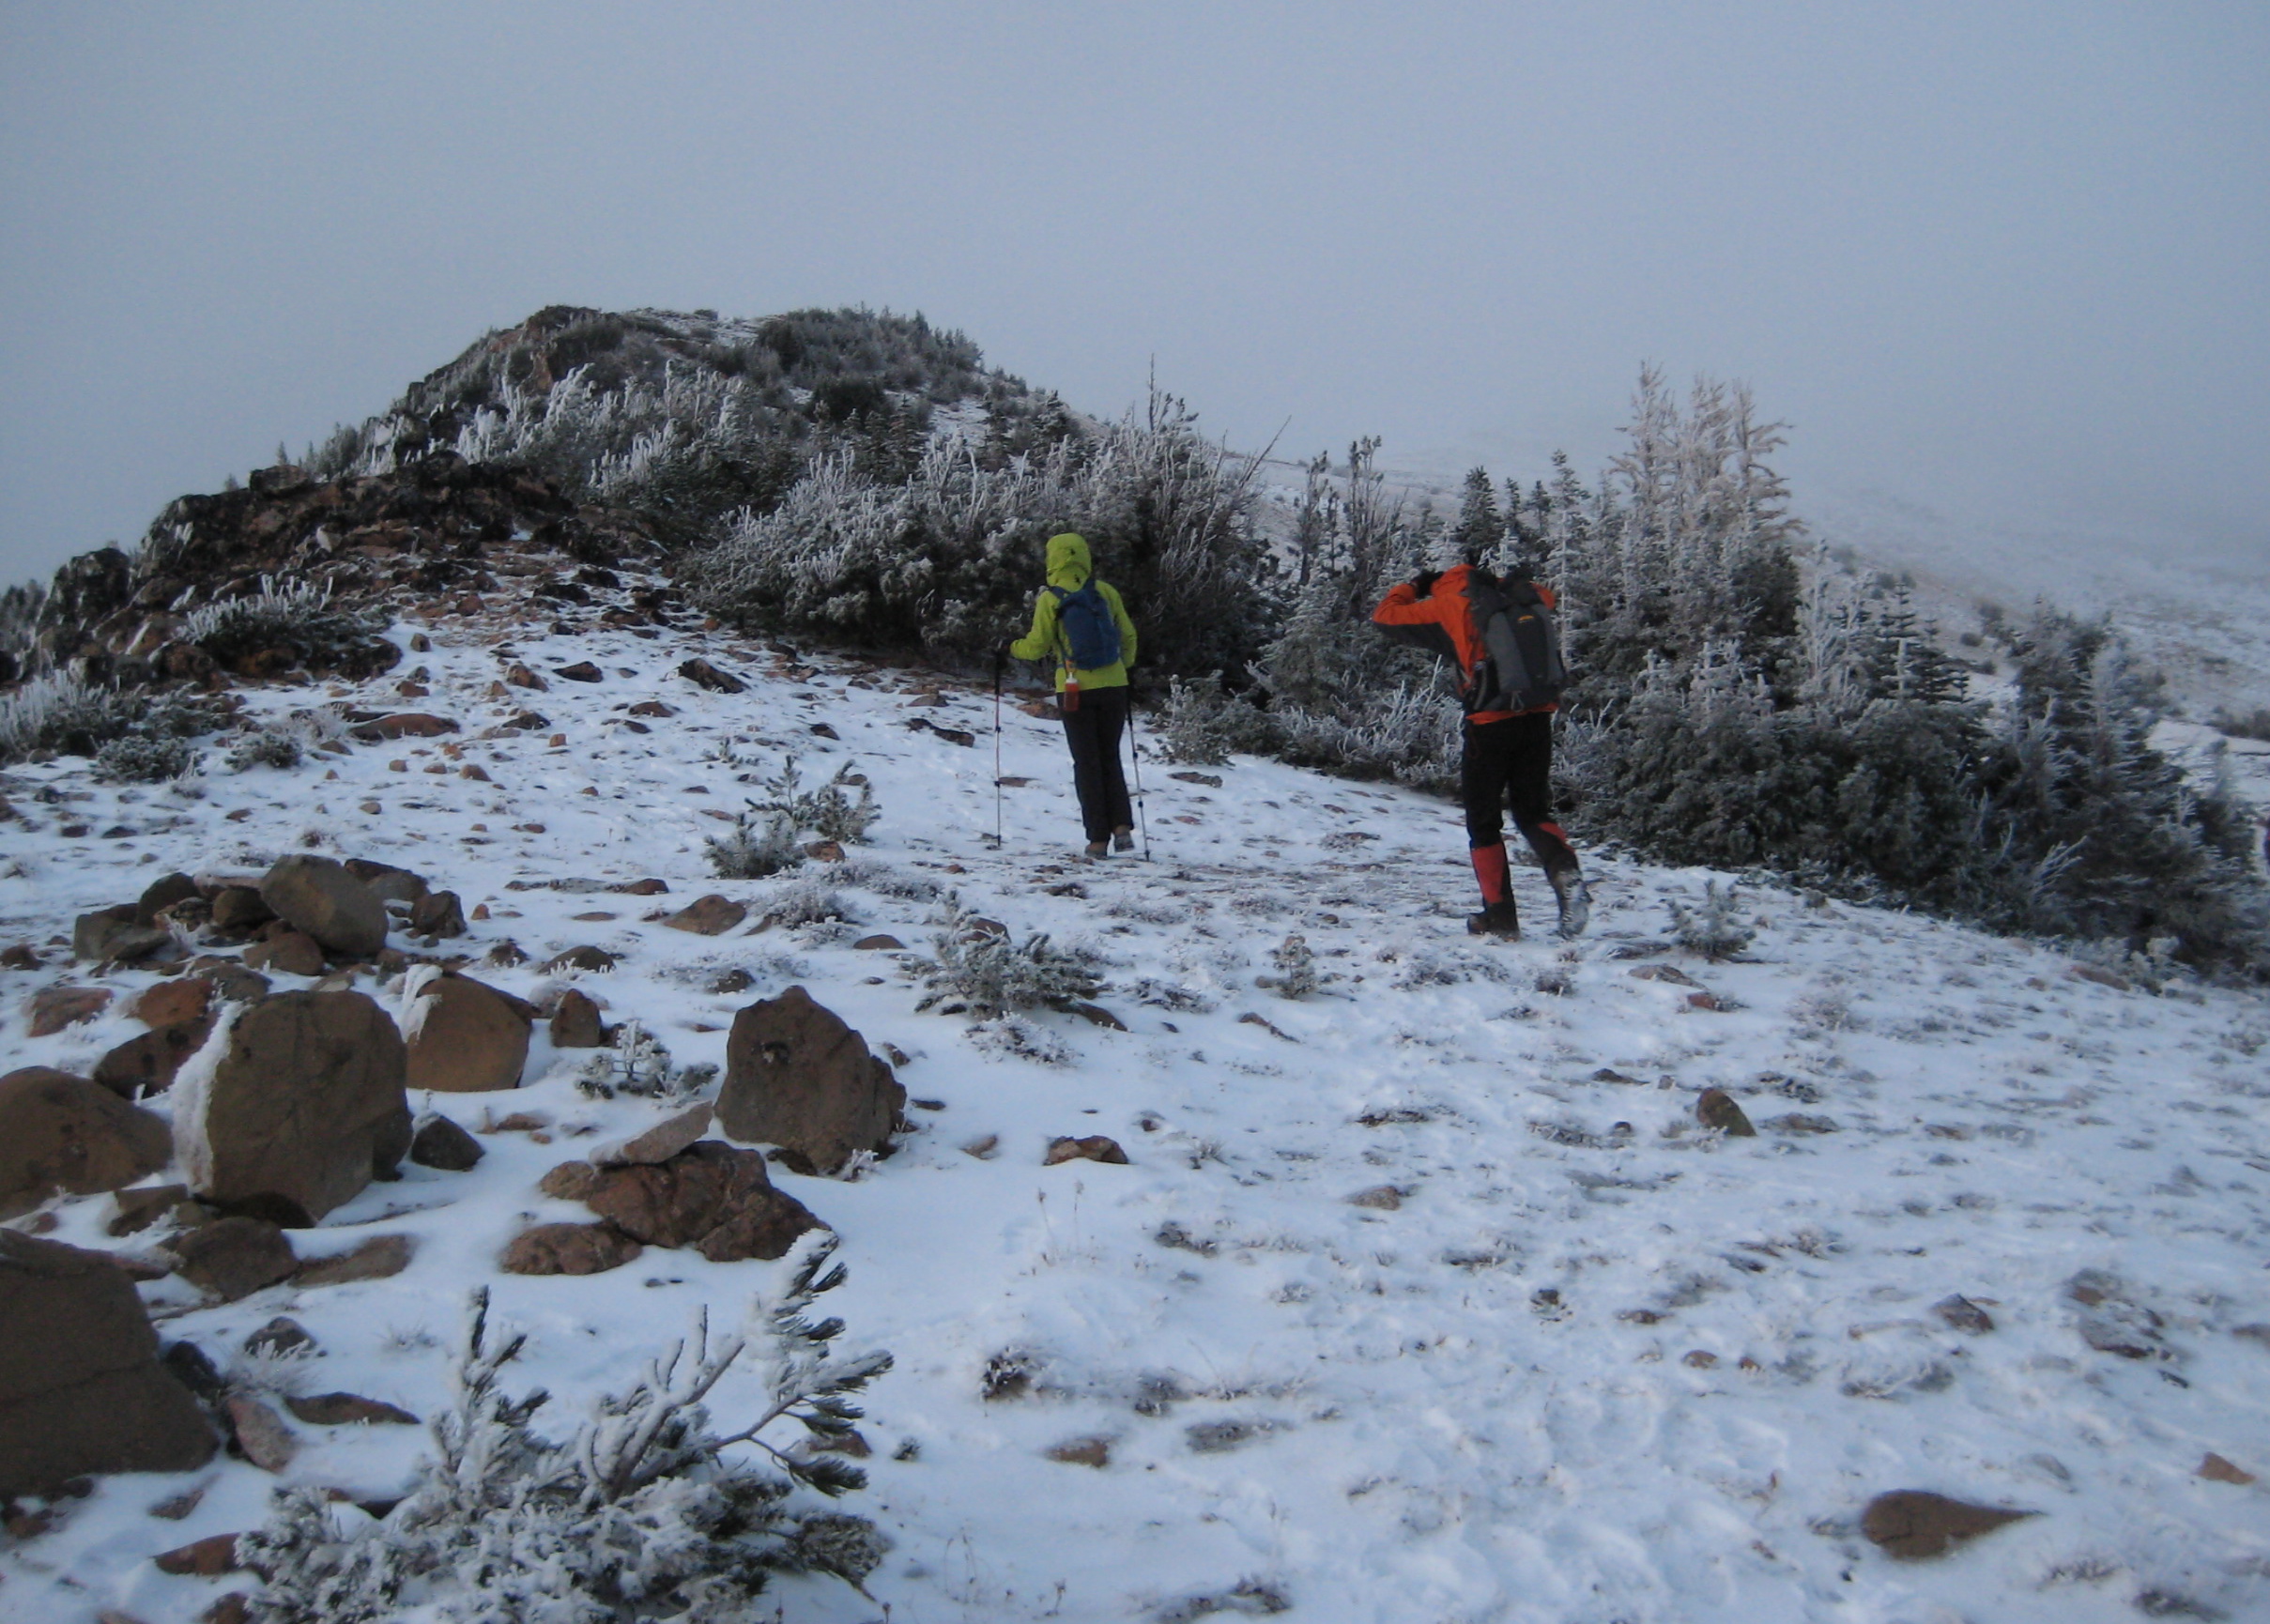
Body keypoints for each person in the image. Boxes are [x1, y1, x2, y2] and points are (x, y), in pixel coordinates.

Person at [1372, 559, 1589, 938]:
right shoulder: (1519, 598)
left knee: (1484, 821)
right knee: (1532, 809)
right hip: (1537, 717)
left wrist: (1413, 586)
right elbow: (1548, 598)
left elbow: (1385, 617)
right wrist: (1498, 582)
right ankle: (1564, 869)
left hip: (1488, 726)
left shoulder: (1448, 605)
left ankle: (1500, 917)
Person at [1010, 531, 1140, 859]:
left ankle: (1097, 839)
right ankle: (1122, 825)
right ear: (1084, 556)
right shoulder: (1106, 592)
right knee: (1110, 756)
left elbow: (1037, 645)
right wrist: (1121, 668)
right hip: (1114, 685)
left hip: (1073, 688)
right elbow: (1128, 634)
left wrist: (1011, 647)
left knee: (1086, 762)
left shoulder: (1050, 598)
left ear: (1052, 560)